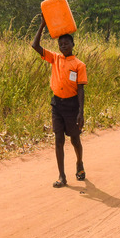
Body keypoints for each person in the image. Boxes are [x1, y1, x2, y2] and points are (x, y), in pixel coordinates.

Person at [32, 16, 87, 188]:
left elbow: (81, 89)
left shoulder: (79, 65)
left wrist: (81, 111)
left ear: (73, 45)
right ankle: (62, 176)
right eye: (60, 44)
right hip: (57, 104)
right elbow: (35, 46)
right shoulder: (54, 58)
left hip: (72, 106)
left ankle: (79, 162)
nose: (63, 46)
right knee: (58, 140)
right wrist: (42, 26)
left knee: (75, 140)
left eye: (66, 43)